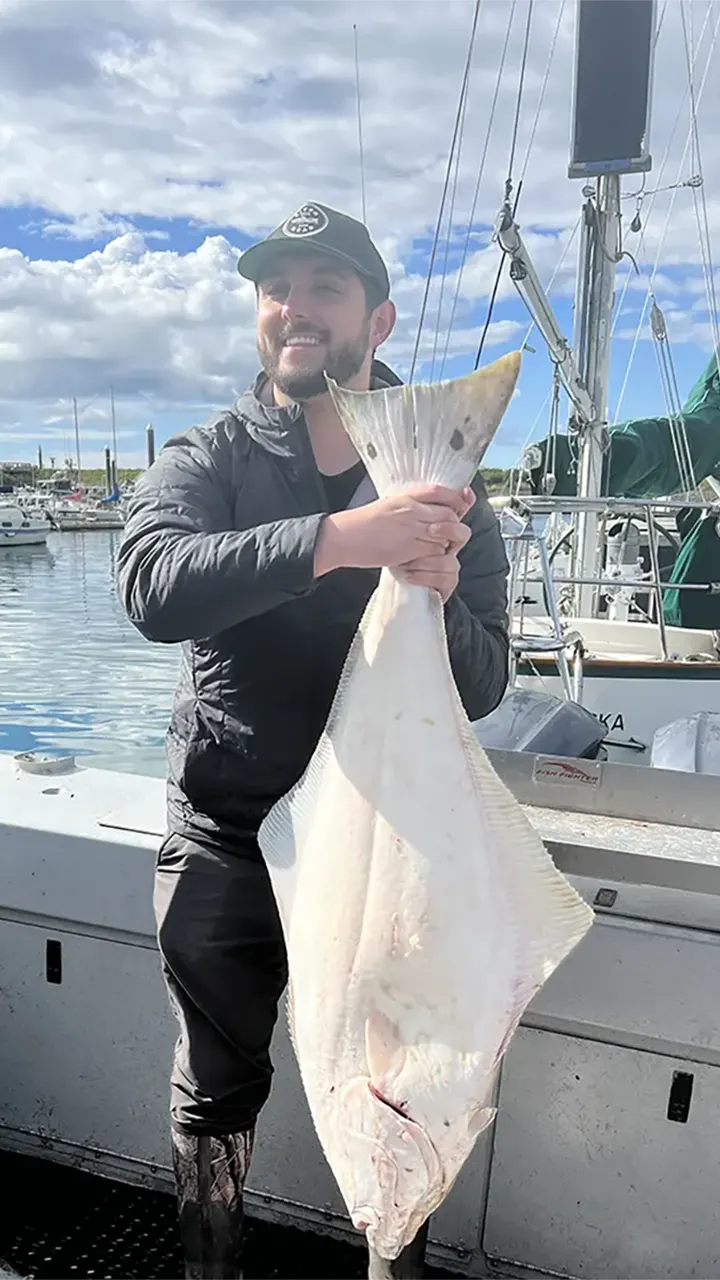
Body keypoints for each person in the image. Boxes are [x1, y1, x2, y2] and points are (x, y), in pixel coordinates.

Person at [117, 200, 511, 1280]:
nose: (294, 307)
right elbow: (151, 586)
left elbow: (485, 684)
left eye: (324, 288)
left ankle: (396, 1265)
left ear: (377, 320)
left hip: (393, 852)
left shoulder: (444, 475)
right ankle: (211, 1267)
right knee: (212, 1087)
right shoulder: (212, 456)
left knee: (402, 1082)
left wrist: (434, 589)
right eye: (276, 287)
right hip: (229, 831)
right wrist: (346, 539)